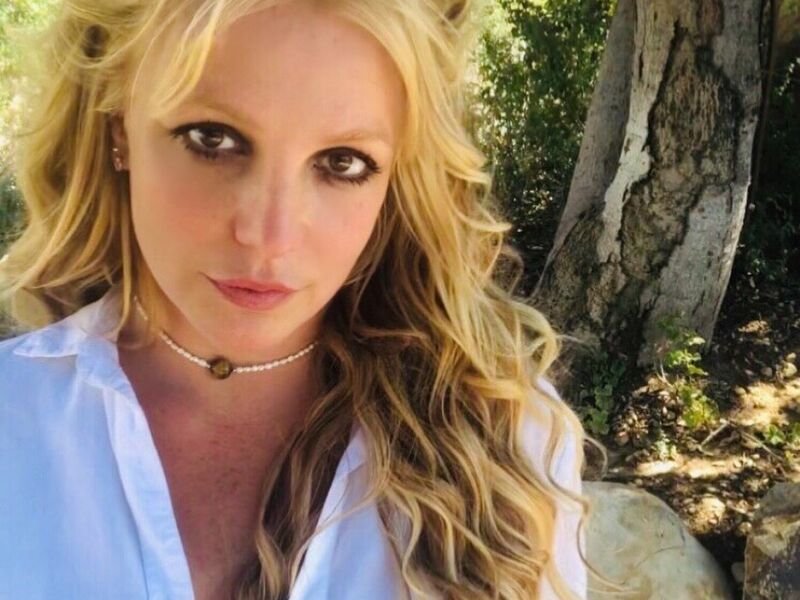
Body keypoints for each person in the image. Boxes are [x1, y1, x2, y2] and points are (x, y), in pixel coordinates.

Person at [0, 0, 592, 598]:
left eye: (342, 163)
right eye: (213, 139)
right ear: (118, 125)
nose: (269, 236)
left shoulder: (505, 444)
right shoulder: (14, 414)